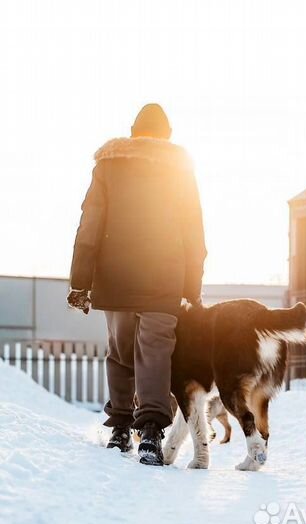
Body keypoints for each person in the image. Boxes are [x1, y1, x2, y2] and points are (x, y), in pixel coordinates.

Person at [67, 103, 207, 465]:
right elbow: (194, 231)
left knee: (120, 351)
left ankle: (119, 430)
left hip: (115, 279)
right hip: (164, 278)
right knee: (155, 354)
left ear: (133, 131)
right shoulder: (179, 168)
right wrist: (192, 288)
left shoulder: (109, 166)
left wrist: (80, 283)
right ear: (168, 136)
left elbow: (89, 226)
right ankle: (149, 434)